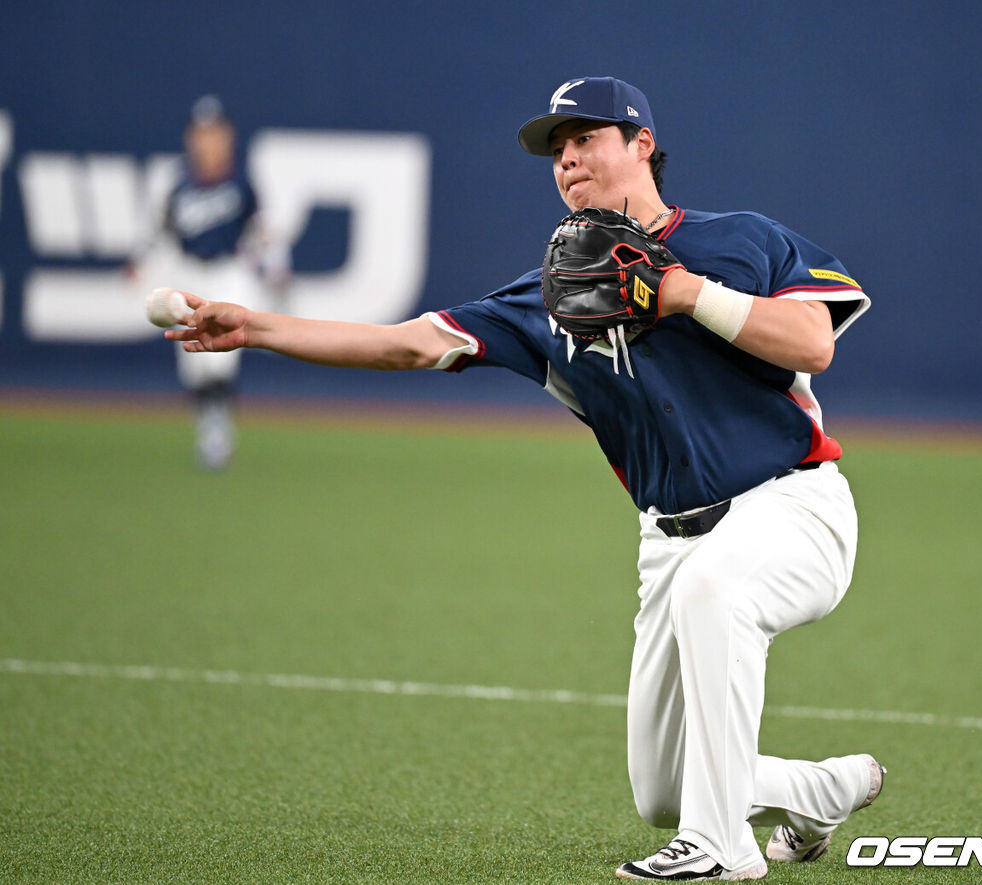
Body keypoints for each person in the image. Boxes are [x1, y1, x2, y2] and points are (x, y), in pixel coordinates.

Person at [165, 77, 882, 881]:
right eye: (556, 147)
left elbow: (812, 341)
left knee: (716, 589)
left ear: (642, 144)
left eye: (586, 138)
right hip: (668, 543)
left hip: (793, 506)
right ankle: (820, 790)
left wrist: (681, 292)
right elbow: (405, 343)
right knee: (664, 789)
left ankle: (723, 849)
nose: (567, 157)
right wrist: (257, 327)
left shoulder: (738, 241)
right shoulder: (549, 296)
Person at [131, 95, 288, 469]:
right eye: (201, 133)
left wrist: (276, 266)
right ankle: (208, 429)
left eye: (214, 133)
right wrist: (140, 263)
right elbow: (159, 230)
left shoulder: (241, 183)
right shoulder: (178, 182)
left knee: (220, 360)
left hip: (228, 273)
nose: (208, 141)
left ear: (228, 137)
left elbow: (263, 231)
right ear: (190, 138)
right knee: (193, 364)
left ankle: (219, 433)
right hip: (187, 272)